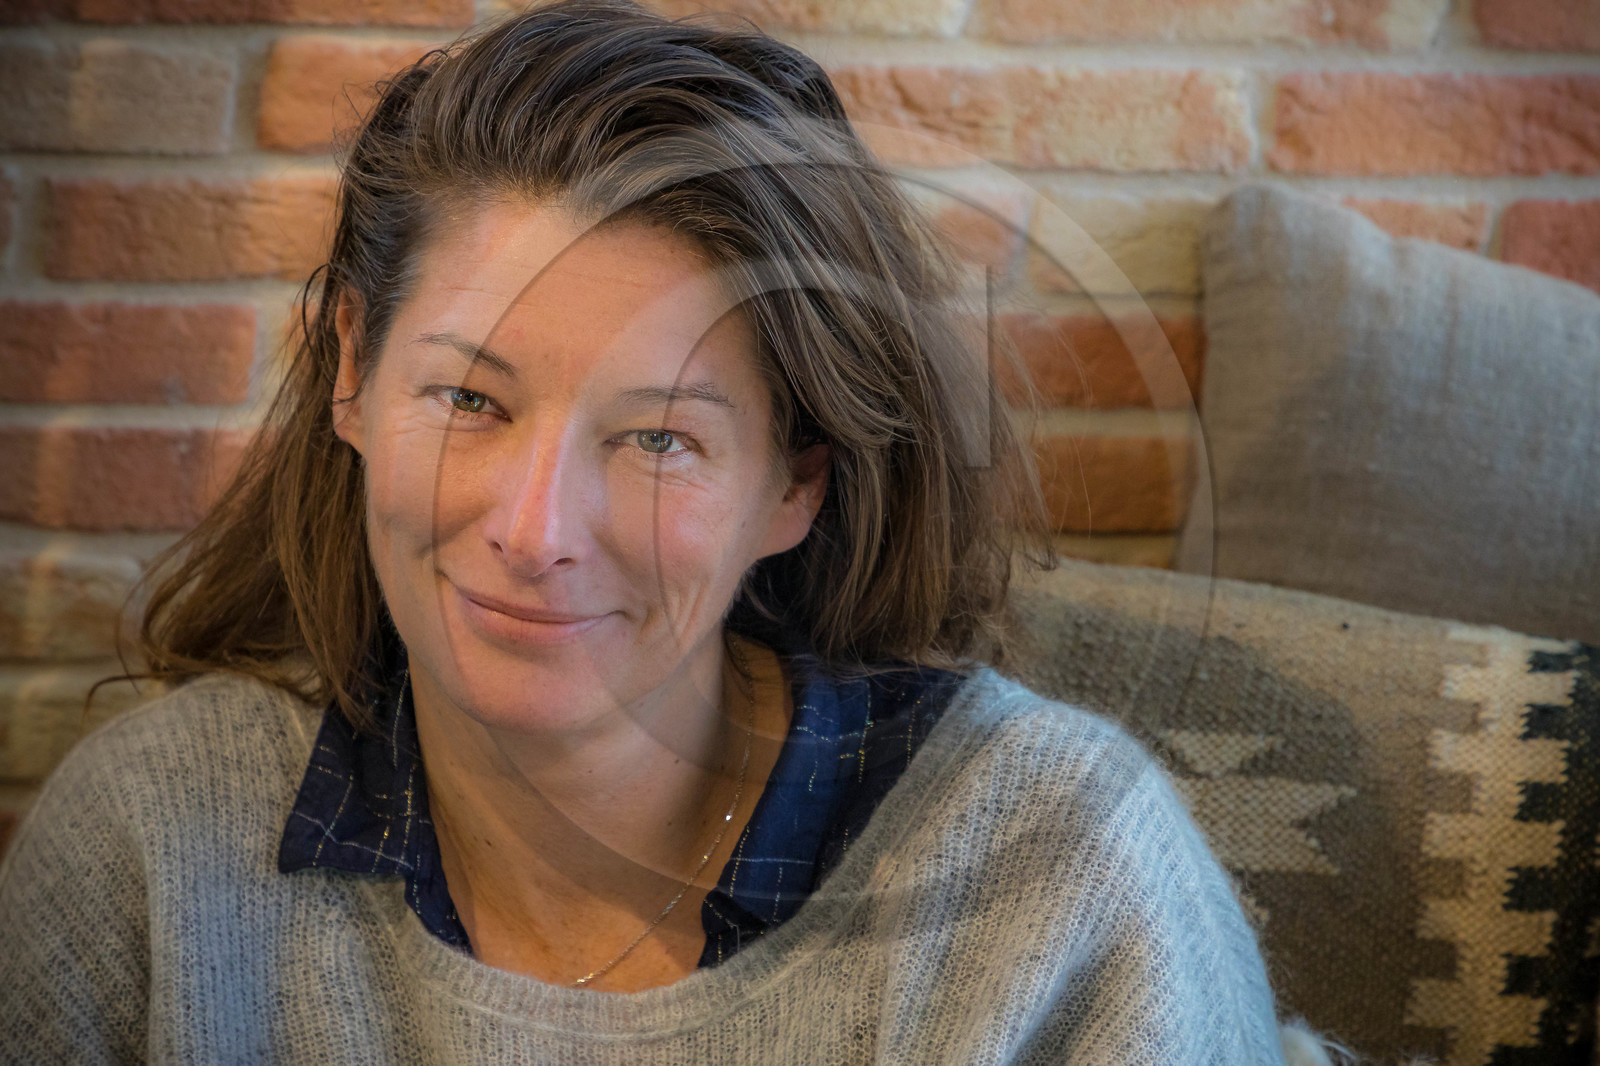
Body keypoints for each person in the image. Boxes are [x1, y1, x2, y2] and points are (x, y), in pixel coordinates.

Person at [0, 1, 1311, 1061]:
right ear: (351, 368)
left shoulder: (1059, 875)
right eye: (468, 399)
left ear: (795, 484)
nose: (533, 529)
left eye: (659, 439)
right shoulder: (150, 844)